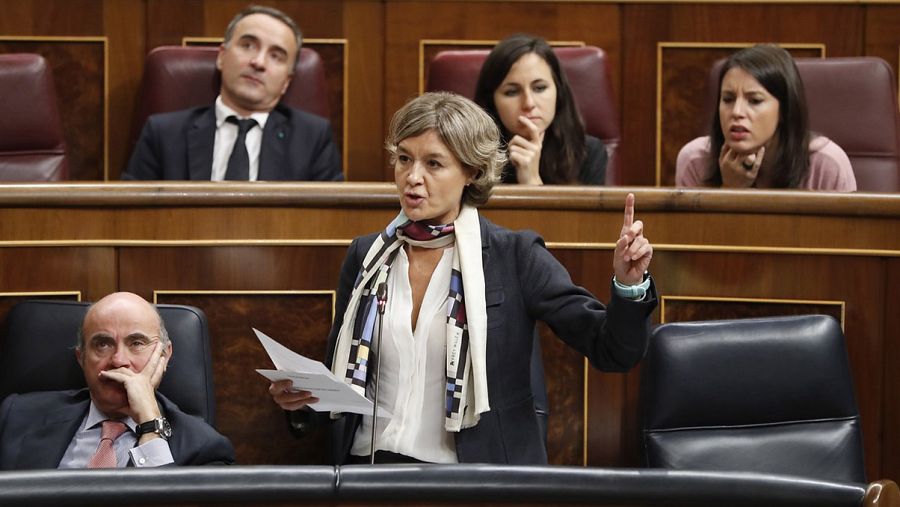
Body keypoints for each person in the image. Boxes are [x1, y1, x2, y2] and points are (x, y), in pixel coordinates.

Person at [268, 92, 656, 465]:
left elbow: (613, 350)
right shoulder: (367, 255)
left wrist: (629, 285)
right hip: (370, 469)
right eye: (404, 159)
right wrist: (305, 403)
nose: (412, 178)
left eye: (433, 164)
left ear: (471, 171)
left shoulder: (514, 256)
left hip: (473, 476)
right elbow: (345, 378)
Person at [0, 292, 235, 469]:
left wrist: (151, 426)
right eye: (102, 344)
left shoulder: (205, 449)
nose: (119, 360)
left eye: (136, 343)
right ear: (81, 358)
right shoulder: (16, 417)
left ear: (164, 355)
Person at [124, 5, 342, 182]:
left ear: (287, 81)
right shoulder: (164, 134)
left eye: (276, 56)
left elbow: (330, 223)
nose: (258, 62)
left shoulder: (312, 139)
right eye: (247, 45)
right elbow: (131, 218)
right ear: (222, 56)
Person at [676, 44, 856, 191]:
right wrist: (730, 189)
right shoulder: (696, 160)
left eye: (754, 100)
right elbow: (694, 235)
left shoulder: (827, 165)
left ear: (785, 110)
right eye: (728, 99)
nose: (737, 112)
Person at [473, 34, 607, 185]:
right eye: (512, 92)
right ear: (492, 101)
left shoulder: (588, 152)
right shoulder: (471, 156)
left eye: (539, 88)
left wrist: (531, 179)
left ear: (559, 91)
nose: (529, 103)